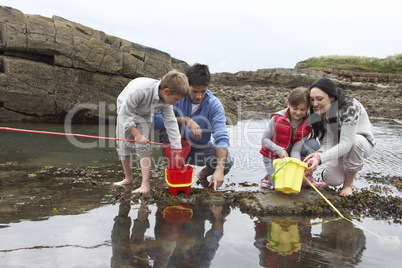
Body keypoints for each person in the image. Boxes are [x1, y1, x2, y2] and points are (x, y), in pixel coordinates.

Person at [154, 63, 233, 191]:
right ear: (187, 86)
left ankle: (201, 175)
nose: (199, 96)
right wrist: (185, 120)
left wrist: (219, 170)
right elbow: (154, 122)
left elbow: (222, 137)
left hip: (199, 149)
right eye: (194, 91)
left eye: (203, 91)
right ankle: (172, 172)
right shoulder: (176, 96)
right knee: (168, 126)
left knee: (226, 162)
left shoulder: (214, 105)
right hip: (175, 147)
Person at [114, 70, 189, 193]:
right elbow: (124, 114)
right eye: (176, 99)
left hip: (145, 114)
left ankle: (145, 184)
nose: (177, 102)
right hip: (125, 111)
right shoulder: (140, 90)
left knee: (144, 147)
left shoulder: (166, 101)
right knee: (123, 146)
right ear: (166, 91)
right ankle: (128, 178)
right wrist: (136, 134)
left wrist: (177, 151)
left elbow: (171, 124)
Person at [304, 78, 375, 197]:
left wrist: (320, 159)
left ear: (331, 97)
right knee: (332, 180)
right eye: (312, 100)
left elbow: (347, 143)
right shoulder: (319, 110)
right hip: (339, 146)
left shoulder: (349, 107)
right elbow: (326, 140)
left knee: (355, 142)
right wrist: (318, 154)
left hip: (362, 143)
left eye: (319, 99)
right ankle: (325, 175)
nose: (315, 103)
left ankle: (348, 185)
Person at [260, 87, 325, 189]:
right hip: (272, 157)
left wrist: (298, 168)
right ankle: (269, 176)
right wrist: (279, 150)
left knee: (313, 144)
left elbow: (296, 149)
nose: (298, 112)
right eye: (295, 108)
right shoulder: (276, 119)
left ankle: (305, 176)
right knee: (280, 187)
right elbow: (264, 140)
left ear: (307, 108)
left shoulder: (306, 125)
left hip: (291, 154)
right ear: (288, 104)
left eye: (302, 109)